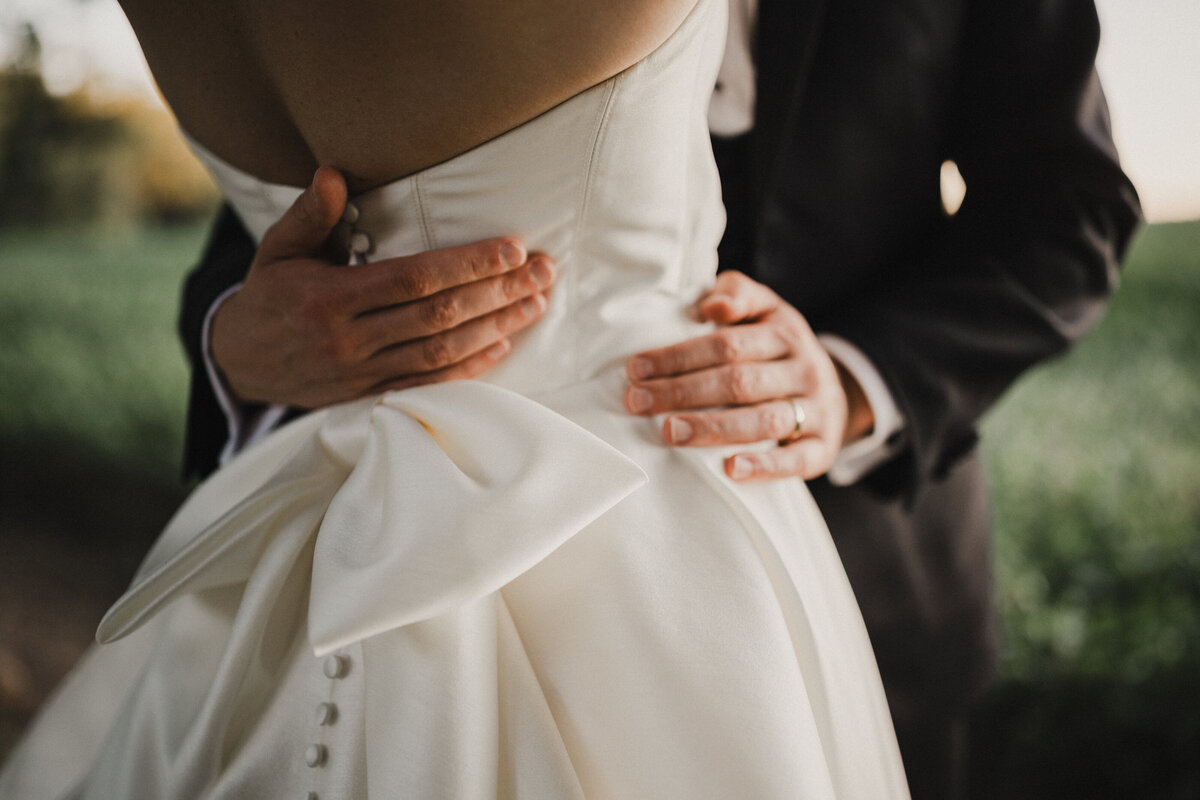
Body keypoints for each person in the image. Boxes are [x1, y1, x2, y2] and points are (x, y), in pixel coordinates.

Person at [176, 0, 1142, 797]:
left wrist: (851, 382)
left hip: (877, 588)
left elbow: (1070, 208)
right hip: (427, 580)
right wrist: (236, 339)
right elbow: (296, 186)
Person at [0, 0, 912, 797]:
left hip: (876, 546)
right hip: (652, 528)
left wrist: (851, 383)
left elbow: (1051, 210)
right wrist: (234, 337)